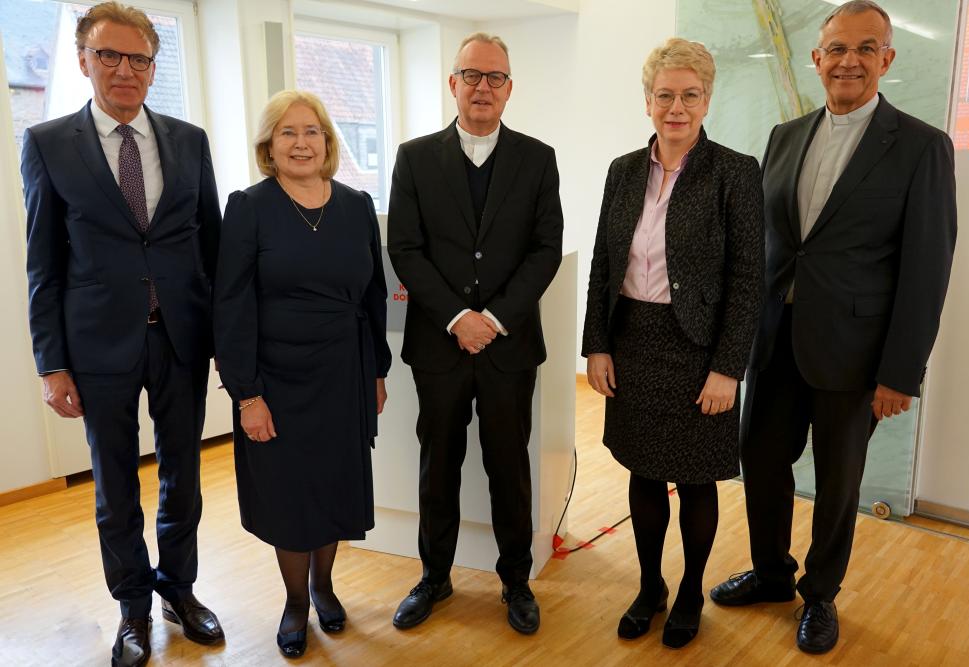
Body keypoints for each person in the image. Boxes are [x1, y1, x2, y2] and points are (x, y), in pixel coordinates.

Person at [709, 0, 957, 655]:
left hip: (855, 353)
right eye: (837, 49)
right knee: (760, 461)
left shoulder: (922, 147)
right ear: (816, 59)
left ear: (887, 58)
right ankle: (771, 574)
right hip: (775, 340)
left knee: (839, 482)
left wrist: (901, 372)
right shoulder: (785, 136)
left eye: (865, 48)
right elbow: (769, 245)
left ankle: (820, 594)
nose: (849, 60)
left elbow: (927, 268)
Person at [20, 3, 223, 665]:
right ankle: (132, 606)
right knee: (115, 488)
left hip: (181, 338)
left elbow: (212, 247)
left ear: (152, 67)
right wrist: (52, 362)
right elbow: (42, 261)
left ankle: (178, 589)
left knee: (184, 478)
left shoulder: (189, 140)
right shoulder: (49, 143)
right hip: (96, 348)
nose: (124, 70)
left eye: (138, 58)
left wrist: (228, 344)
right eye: (109, 55)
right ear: (83, 61)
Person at [582, 38, 763, 649]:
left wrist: (728, 369)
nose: (676, 107)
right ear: (648, 101)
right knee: (641, 471)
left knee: (694, 480)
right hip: (633, 341)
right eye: (665, 95)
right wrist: (597, 344)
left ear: (707, 100)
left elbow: (747, 280)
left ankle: (689, 591)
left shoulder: (735, 172)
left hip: (699, 352)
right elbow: (606, 265)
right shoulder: (623, 170)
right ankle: (650, 585)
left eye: (689, 95)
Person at [387, 32, 563, 635]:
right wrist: (457, 318)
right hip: (439, 346)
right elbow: (404, 249)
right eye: (472, 75)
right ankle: (434, 577)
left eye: (495, 78)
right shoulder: (414, 157)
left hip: (509, 347)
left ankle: (515, 580)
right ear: (453, 83)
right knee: (438, 465)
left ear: (510, 88)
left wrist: (493, 319)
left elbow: (545, 251)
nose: (483, 87)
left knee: (508, 466)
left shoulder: (538, 159)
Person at [213, 89, 391, 658]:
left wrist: (376, 371)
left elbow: (372, 295)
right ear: (269, 145)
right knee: (289, 495)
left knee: (333, 485)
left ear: (328, 141)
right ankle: (294, 601)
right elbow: (231, 304)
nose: (300, 143)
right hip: (276, 378)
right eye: (287, 133)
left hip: (343, 370)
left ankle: (324, 586)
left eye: (311, 131)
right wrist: (247, 394)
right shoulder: (249, 207)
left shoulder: (357, 204)